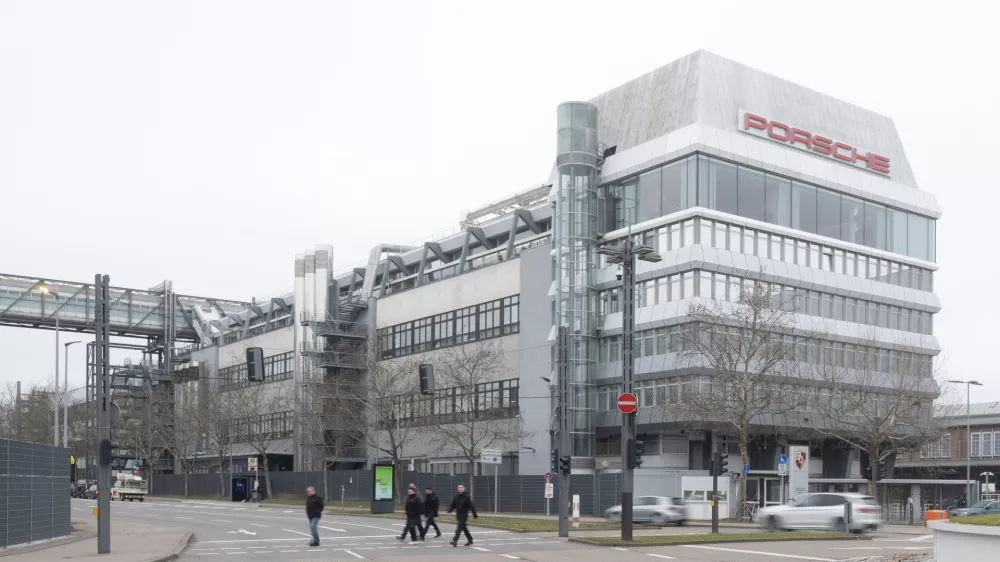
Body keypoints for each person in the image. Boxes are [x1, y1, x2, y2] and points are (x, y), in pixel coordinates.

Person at [447, 482, 478, 547]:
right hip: (458, 515)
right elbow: (452, 505)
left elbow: (471, 506)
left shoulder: (467, 497)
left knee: (459, 528)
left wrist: (475, 515)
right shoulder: (456, 497)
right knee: (464, 528)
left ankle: (455, 541)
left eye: (461, 487)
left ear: (464, 488)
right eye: (459, 487)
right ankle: (470, 540)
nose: (460, 488)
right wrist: (449, 511)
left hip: (464, 515)